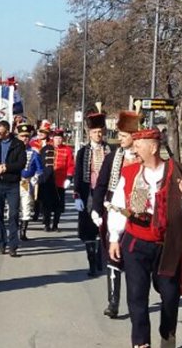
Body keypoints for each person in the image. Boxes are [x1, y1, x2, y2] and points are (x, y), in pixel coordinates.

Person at [108, 127, 182, 348]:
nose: (134, 149)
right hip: (136, 242)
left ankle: (167, 336)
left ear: (153, 147)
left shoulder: (178, 172)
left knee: (170, 296)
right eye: (134, 144)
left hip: (167, 245)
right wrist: (115, 237)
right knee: (136, 295)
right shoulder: (130, 173)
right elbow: (118, 205)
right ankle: (141, 342)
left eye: (138, 145)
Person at [92, 109, 141, 318]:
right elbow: (102, 184)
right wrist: (96, 209)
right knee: (113, 255)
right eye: (119, 136)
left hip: (138, 214)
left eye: (122, 136)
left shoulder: (143, 157)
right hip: (113, 213)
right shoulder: (113, 157)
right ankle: (113, 302)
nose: (119, 139)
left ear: (134, 137)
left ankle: (135, 300)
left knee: (132, 259)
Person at [74, 111, 112, 276]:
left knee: (105, 227)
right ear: (89, 133)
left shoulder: (111, 150)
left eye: (100, 132)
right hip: (88, 193)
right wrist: (76, 195)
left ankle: (100, 259)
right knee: (89, 229)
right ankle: (91, 264)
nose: (98, 135)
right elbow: (78, 174)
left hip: (107, 193)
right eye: (95, 132)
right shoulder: (83, 152)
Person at [0, 120, 27, 257]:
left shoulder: (18, 144)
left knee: (13, 214)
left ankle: (13, 246)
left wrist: (7, 167)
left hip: (12, 184)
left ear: (7, 132)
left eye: (0, 132)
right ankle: (1, 243)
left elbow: (21, 163)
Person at [41, 129, 74, 232]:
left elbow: (71, 165)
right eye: (56, 138)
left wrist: (69, 178)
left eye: (60, 138)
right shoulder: (47, 149)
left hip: (60, 181)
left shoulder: (68, 150)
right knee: (47, 203)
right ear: (52, 138)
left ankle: (55, 225)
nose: (58, 140)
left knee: (58, 205)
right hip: (48, 179)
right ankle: (47, 224)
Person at [15, 123, 43, 241]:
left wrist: (34, 178)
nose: (25, 138)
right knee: (12, 208)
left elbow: (39, 169)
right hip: (13, 182)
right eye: (22, 136)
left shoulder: (34, 152)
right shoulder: (12, 151)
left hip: (26, 183)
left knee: (26, 206)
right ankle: (13, 231)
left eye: (27, 136)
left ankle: (23, 232)